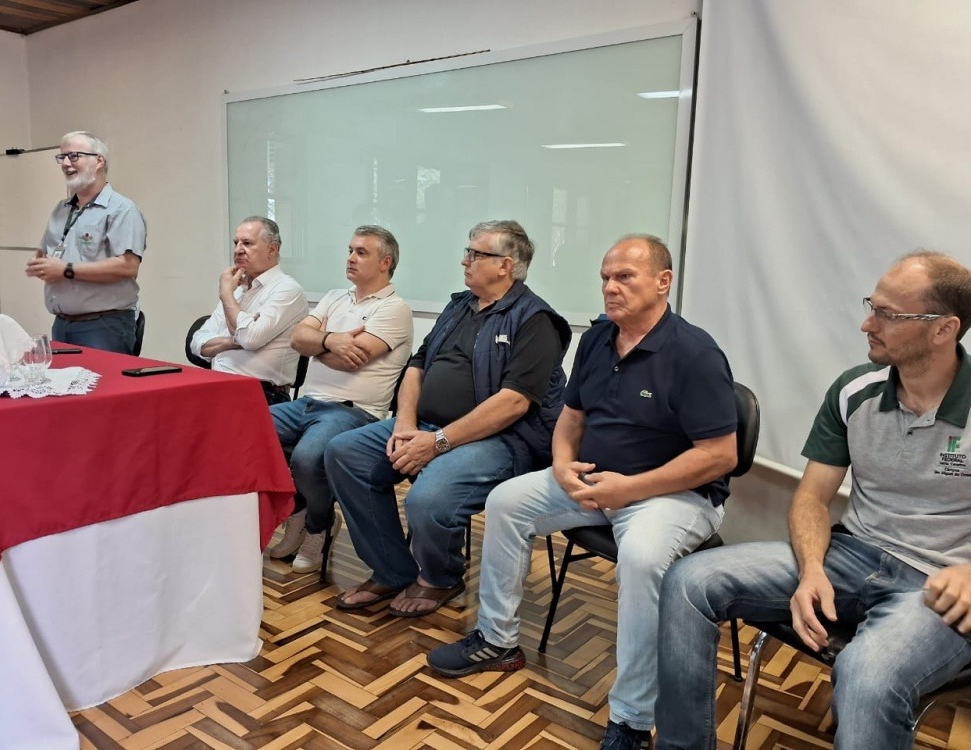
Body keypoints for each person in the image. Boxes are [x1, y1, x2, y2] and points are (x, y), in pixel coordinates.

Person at [426, 234, 739, 750]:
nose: (610, 288)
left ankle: (631, 720)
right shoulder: (597, 339)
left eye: (625, 277)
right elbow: (571, 418)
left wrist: (630, 488)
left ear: (663, 282)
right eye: (605, 278)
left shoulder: (695, 353)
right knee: (505, 502)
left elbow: (720, 455)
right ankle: (498, 641)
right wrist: (563, 466)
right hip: (596, 480)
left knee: (641, 558)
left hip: (674, 496)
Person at [654, 251, 971, 750]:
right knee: (689, 581)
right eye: (872, 306)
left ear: (943, 329)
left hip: (938, 584)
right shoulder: (854, 391)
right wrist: (811, 570)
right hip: (852, 555)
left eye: (888, 314)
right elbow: (812, 498)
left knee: (866, 675)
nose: (868, 323)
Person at [325, 220, 572, 617]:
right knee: (345, 452)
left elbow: (513, 403)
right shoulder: (460, 306)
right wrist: (405, 424)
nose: (464, 260)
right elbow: (417, 366)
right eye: (467, 251)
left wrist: (438, 442)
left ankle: (440, 577)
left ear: (505, 265)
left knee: (428, 498)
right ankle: (391, 569)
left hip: (501, 441)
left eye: (475, 254)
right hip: (425, 426)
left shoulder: (535, 320)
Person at [267, 225, 413, 572]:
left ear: (385, 262)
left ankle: (319, 524)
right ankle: (299, 510)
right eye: (350, 250)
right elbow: (298, 339)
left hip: (354, 412)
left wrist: (317, 343)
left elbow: (352, 360)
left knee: (307, 458)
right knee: (246, 431)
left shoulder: (395, 308)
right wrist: (331, 341)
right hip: (306, 404)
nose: (350, 258)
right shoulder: (335, 296)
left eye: (361, 252)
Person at [27, 131, 147, 354]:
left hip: (103, 326)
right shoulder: (61, 209)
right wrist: (41, 264)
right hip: (62, 323)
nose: (66, 163)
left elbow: (128, 266)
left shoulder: (121, 209)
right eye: (62, 157)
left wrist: (66, 269)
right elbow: (49, 254)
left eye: (74, 156)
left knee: (103, 378)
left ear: (99, 161)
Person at [189, 216, 307, 406]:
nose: (238, 250)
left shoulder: (287, 289)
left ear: (272, 249)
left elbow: (250, 339)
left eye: (247, 243)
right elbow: (197, 343)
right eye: (236, 243)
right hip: (219, 385)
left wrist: (226, 294)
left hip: (262, 393)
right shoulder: (238, 290)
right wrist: (232, 341)